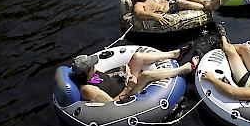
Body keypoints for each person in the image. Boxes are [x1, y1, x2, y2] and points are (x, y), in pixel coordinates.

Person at [70, 48, 199, 102]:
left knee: (137, 57)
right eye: (92, 65)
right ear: (86, 72)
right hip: (125, 94)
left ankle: (174, 54)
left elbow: (106, 78)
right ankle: (185, 69)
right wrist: (129, 86)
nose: (95, 66)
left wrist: (122, 71)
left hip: (124, 81)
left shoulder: (92, 73)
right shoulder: (88, 89)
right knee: (146, 75)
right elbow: (112, 104)